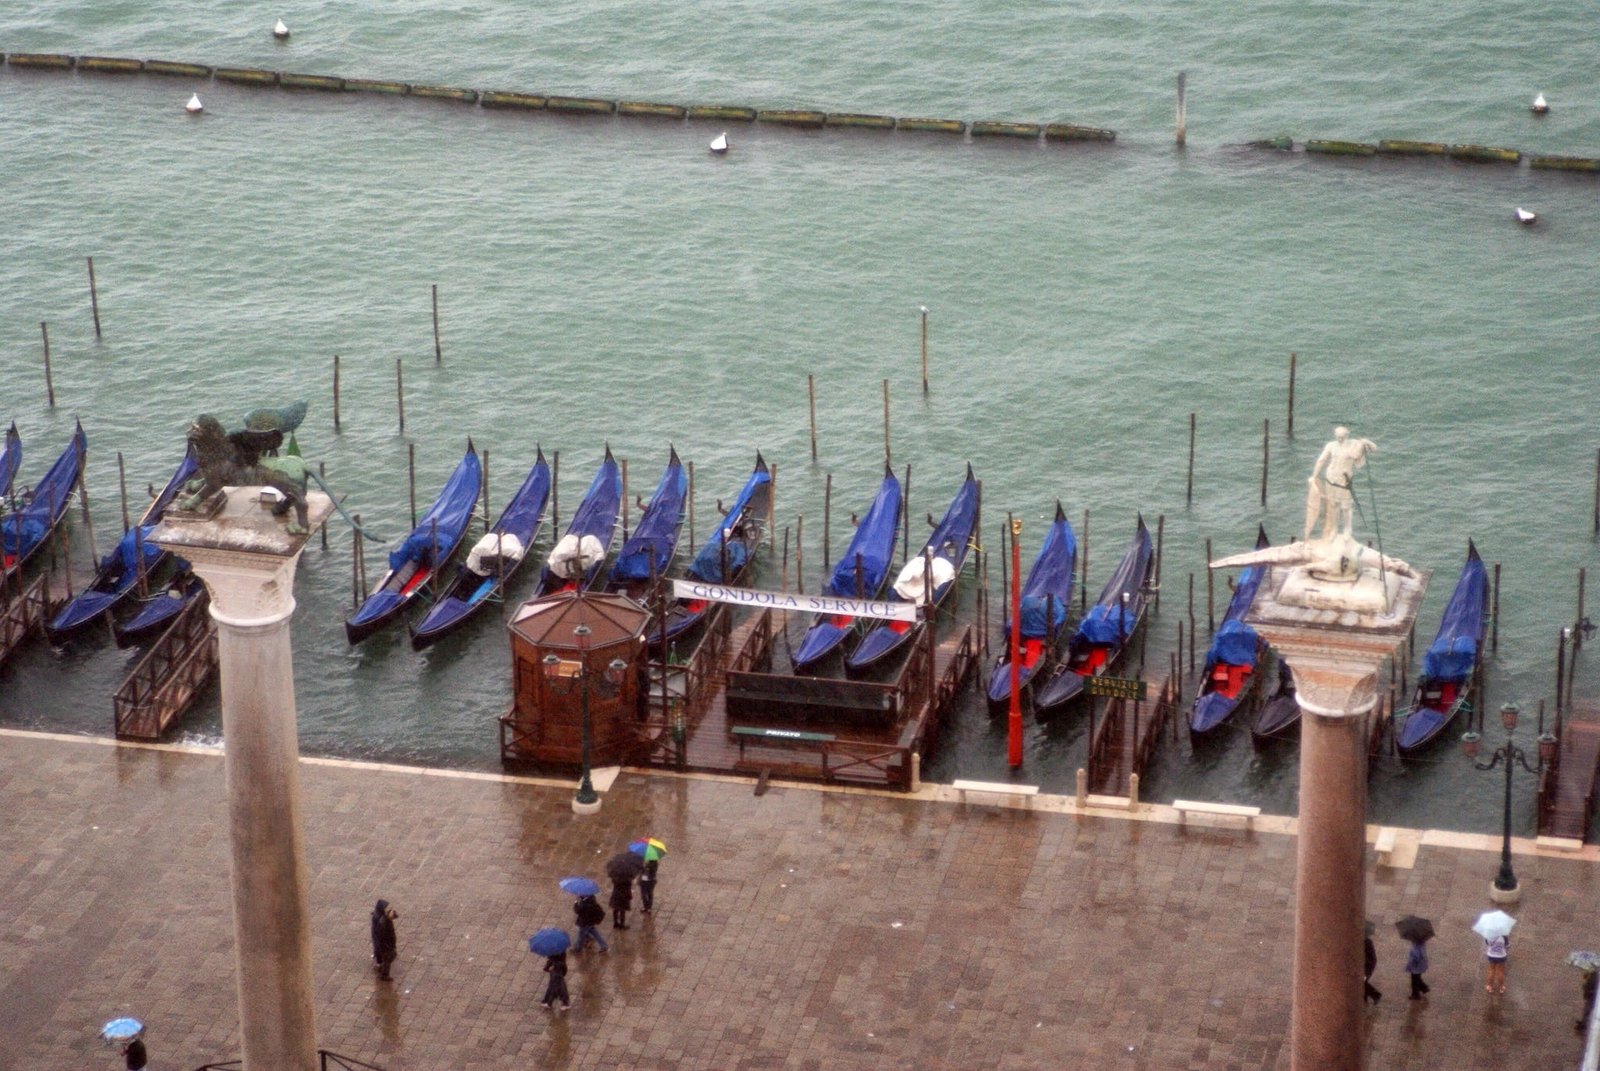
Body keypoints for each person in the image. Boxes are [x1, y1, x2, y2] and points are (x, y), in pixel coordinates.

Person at [371, 899, 398, 981]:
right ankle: (384, 975)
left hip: (385, 944)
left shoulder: (383, 918)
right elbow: (381, 936)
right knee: (389, 958)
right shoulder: (383, 922)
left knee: (388, 956)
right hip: (386, 945)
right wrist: (387, 946)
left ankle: (380, 964)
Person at [1363, 934, 1382, 1005]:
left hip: (1367, 966)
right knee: (1363, 982)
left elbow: (1368, 956)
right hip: (1366, 965)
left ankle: (1376, 995)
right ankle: (1364, 999)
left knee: (1361, 982)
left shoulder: (1366, 942)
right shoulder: (1366, 941)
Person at [1578, 967, 1597, 1031]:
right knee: (1586, 1010)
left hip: (1593, 997)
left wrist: (1590, 991)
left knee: (1588, 1010)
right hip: (1590, 996)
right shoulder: (1592, 975)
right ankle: (1583, 1023)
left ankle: (1584, 1024)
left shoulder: (1595, 977)